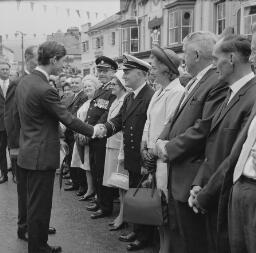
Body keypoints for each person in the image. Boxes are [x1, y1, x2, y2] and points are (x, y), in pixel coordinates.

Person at [13, 41, 94, 253]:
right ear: (53, 60)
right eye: (63, 60)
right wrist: (94, 131)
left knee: (33, 203)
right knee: (40, 205)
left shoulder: (25, 81)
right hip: (41, 155)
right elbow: (68, 118)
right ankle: (38, 247)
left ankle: (37, 243)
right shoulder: (45, 88)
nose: (64, 64)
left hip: (28, 151)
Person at [155, 31, 227, 253]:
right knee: (179, 237)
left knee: (192, 242)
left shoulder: (216, 81)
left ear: (196, 54)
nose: (182, 60)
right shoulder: (196, 81)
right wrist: (161, 139)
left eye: (185, 54)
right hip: (178, 173)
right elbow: (175, 118)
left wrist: (169, 148)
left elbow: (204, 127)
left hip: (191, 175)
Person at [189, 35, 256, 253]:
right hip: (213, 194)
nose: (213, 63)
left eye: (216, 58)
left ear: (231, 58)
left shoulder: (252, 96)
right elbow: (213, 145)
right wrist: (198, 184)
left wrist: (205, 195)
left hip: (226, 199)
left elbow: (235, 155)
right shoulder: (230, 92)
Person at [93, 54, 155, 251]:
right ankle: (136, 230)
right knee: (134, 193)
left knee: (143, 194)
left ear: (141, 73)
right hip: (130, 154)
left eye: (127, 73)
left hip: (141, 155)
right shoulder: (130, 96)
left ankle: (144, 237)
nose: (124, 76)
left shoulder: (150, 95)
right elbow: (119, 120)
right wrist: (103, 128)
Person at [141, 46, 185, 253]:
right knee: (157, 209)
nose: (151, 70)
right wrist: (144, 146)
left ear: (167, 69)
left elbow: (169, 126)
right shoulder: (159, 90)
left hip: (163, 160)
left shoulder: (176, 92)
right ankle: (161, 246)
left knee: (164, 209)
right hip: (152, 157)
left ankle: (165, 249)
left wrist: (152, 151)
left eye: (153, 66)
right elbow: (149, 122)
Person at [85, 56, 117, 219]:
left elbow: (107, 114)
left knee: (102, 171)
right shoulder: (100, 89)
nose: (102, 74)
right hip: (94, 136)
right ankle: (99, 200)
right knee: (95, 169)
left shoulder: (113, 89)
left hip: (102, 136)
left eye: (105, 71)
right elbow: (92, 112)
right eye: (100, 71)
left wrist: (92, 129)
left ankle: (106, 206)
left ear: (113, 72)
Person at [102, 70, 128, 230]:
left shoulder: (125, 99)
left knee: (122, 182)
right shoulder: (117, 100)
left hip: (119, 145)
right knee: (118, 183)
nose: (111, 86)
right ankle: (122, 214)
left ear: (122, 86)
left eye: (114, 84)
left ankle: (123, 215)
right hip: (111, 143)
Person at [70, 75, 101, 200]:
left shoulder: (97, 102)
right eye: (85, 86)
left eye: (90, 86)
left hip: (90, 137)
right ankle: (89, 189)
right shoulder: (85, 102)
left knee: (91, 166)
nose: (87, 88)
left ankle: (95, 191)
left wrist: (86, 134)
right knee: (85, 165)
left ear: (95, 87)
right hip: (80, 137)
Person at [63, 74, 87, 193]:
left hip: (76, 131)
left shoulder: (83, 96)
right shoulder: (72, 96)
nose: (74, 85)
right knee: (70, 157)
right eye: (72, 83)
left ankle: (80, 185)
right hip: (68, 132)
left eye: (76, 83)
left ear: (82, 84)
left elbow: (76, 114)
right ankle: (75, 181)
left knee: (77, 159)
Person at [0, 59, 19, 184]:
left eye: (7, 69)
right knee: (1, 149)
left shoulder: (15, 83)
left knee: (13, 148)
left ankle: (16, 175)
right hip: (0, 123)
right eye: (2, 69)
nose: (5, 71)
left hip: (13, 122)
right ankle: (4, 174)